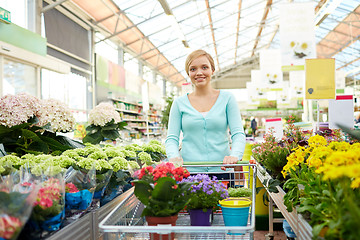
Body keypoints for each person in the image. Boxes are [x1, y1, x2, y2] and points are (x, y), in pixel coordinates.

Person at [165, 49, 246, 174]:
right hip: (189, 172)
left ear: (212, 70)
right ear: (188, 73)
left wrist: (234, 155)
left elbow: (238, 134)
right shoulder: (179, 103)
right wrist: (174, 157)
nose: (199, 73)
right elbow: (172, 138)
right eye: (193, 69)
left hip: (222, 170)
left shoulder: (227, 99)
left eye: (204, 67)